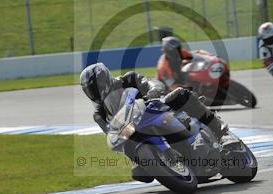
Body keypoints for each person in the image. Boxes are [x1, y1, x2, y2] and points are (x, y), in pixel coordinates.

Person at [80, 63, 226, 182]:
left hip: (153, 109)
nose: (94, 91)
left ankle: (218, 128)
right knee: (140, 173)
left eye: (96, 86)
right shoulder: (99, 114)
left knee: (181, 94)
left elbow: (148, 82)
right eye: (90, 89)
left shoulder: (128, 79)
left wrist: (153, 90)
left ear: (103, 78)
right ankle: (157, 163)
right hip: (134, 132)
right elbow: (110, 132)